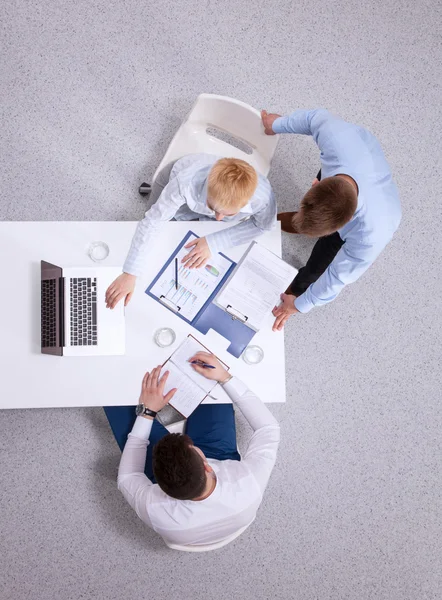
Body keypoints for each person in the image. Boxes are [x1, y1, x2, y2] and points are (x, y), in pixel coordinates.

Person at [104, 352, 280, 551]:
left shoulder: (155, 508)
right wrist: (225, 377)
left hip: (182, 484)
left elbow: (128, 477)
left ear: (158, 484)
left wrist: (147, 413)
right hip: (219, 455)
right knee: (206, 377)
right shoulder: (247, 483)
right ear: (208, 466)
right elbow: (269, 429)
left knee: (112, 391)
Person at [261, 109, 402, 331]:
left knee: (318, 267)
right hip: (354, 156)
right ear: (317, 184)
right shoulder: (336, 140)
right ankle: (293, 222)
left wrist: (299, 305)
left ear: (343, 225)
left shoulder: (369, 236)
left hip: (379, 207)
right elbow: (312, 119)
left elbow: (336, 278)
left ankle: (296, 287)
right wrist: (276, 124)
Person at [105, 153, 276, 309]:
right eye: (213, 208)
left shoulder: (263, 197)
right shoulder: (185, 182)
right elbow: (153, 222)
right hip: (174, 185)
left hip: (200, 201)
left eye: (228, 213)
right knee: (160, 237)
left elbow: (263, 225)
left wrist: (213, 242)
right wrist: (130, 273)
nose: (218, 218)